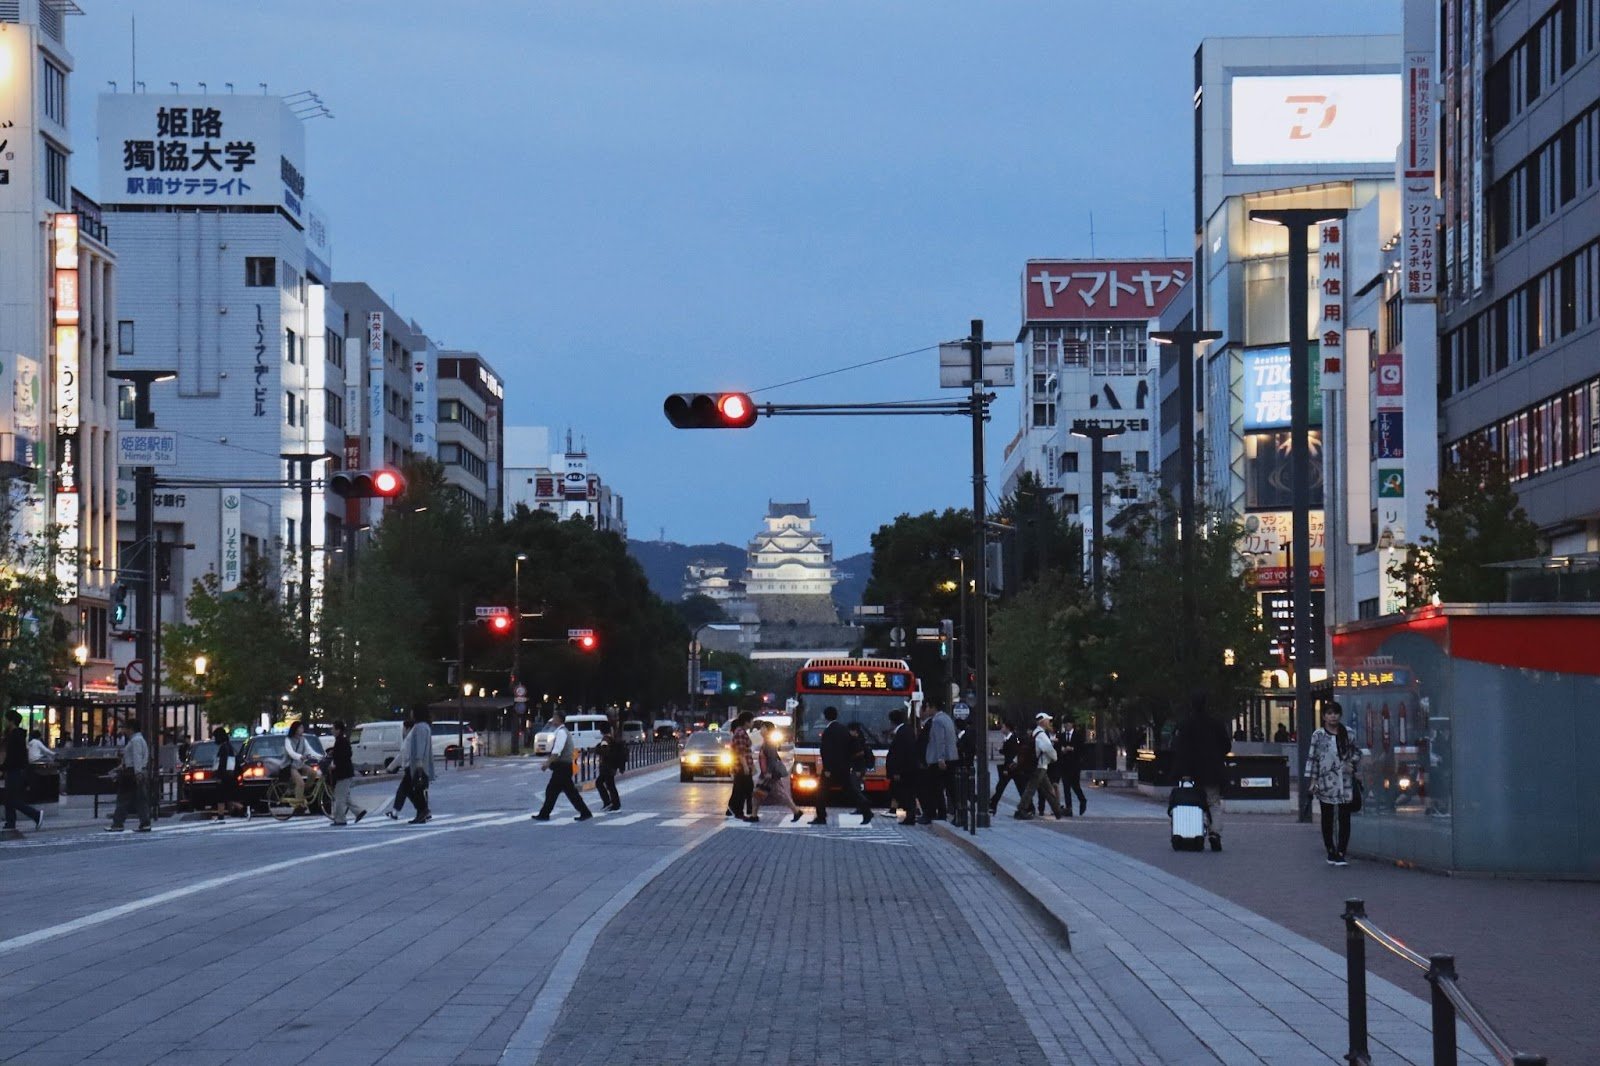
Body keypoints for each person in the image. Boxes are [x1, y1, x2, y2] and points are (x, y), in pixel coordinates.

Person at [1172, 692, 1230, 851]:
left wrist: (1182, 771)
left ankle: (1197, 829)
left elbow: (1179, 749)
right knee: (1213, 803)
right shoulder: (1216, 724)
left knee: (1193, 804)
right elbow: (1226, 746)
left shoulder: (1186, 725)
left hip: (1192, 773)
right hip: (1213, 771)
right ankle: (1215, 833)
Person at [1307, 701, 1361, 865]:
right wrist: (1313, 780)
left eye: (1336, 713)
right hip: (1326, 781)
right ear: (1323, 716)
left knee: (1345, 817)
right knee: (1327, 816)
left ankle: (1342, 851)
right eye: (1329, 713)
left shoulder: (1348, 733)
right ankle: (1330, 850)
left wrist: (1352, 763)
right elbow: (1313, 758)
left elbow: (1357, 752)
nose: (1333, 716)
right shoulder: (1318, 735)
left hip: (1344, 782)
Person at [813, 706, 872, 825]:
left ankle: (821, 817)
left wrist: (828, 768)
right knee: (851, 790)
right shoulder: (844, 729)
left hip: (831, 769)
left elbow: (826, 751)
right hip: (844, 767)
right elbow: (854, 747)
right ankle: (866, 808)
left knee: (821, 792)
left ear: (825, 716)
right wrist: (848, 760)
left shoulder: (828, 731)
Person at [532, 708, 592, 822]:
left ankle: (545, 814)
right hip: (564, 767)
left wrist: (547, 763)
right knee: (567, 792)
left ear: (559, 719)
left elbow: (557, 750)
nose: (553, 719)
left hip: (562, 767)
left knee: (553, 791)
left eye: (555, 717)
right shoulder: (561, 731)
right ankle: (585, 812)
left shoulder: (561, 732)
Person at [1016, 713, 1066, 819]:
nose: (1049, 722)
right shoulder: (1042, 735)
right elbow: (1048, 749)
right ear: (1042, 722)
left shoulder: (1035, 733)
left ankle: (1057, 811)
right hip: (1040, 765)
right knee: (1032, 788)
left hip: (1038, 765)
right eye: (1048, 720)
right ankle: (1021, 809)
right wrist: (1055, 757)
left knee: (1047, 789)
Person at [107, 717, 151, 832]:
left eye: (125, 728)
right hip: (138, 771)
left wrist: (137, 772)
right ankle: (145, 822)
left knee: (123, 798)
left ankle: (118, 823)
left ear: (131, 729)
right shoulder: (140, 740)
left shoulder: (135, 741)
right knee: (140, 799)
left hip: (132, 773)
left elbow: (136, 757)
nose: (124, 731)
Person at [3, 711, 44, 832]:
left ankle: (35, 815)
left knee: (12, 799)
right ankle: (10, 822)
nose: (5, 722)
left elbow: (13, 756)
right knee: (9, 798)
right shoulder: (16, 735)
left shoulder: (15, 737)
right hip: (15, 770)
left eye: (6, 720)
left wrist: (3, 766)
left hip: (15, 770)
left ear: (11, 721)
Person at [753, 722, 803, 823]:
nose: (761, 730)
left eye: (763, 728)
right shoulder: (766, 742)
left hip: (769, 775)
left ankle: (796, 811)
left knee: (779, 794)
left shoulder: (769, 743)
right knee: (758, 794)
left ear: (767, 730)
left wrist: (769, 773)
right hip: (766, 774)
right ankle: (754, 815)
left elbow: (772, 759)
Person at [918, 700, 957, 825]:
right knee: (949, 787)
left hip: (939, 760)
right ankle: (953, 813)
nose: (927, 709)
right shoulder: (947, 718)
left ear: (933, 707)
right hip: (951, 758)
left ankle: (937, 813)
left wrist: (940, 758)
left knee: (934, 788)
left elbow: (940, 740)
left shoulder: (937, 721)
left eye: (928, 706)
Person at [327, 721, 368, 827]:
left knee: (340, 797)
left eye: (333, 728)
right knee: (344, 796)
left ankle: (340, 819)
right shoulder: (342, 740)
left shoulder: (340, 741)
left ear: (338, 730)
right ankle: (359, 811)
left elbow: (343, 756)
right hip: (346, 772)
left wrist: (335, 765)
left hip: (343, 773)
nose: (332, 730)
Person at [885, 707, 921, 824]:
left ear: (892, 721)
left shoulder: (902, 733)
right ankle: (909, 814)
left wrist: (896, 771)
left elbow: (900, 754)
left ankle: (910, 815)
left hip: (903, 771)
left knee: (905, 793)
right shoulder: (906, 731)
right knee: (902, 792)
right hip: (906, 770)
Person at [403, 710, 434, 825]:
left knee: (416, 789)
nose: (411, 714)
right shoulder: (425, 726)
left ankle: (423, 811)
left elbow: (420, 745)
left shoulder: (419, 727)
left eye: (412, 711)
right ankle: (421, 813)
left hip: (419, 765)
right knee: (417, 789)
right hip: (423, 763)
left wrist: (419, 762)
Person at [209, 727, 246, 821]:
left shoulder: (223, 748)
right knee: (228, 797)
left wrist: (219, 775)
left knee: (222, 797)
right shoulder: (228, 746)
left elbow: (222, 763)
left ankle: (238, 809)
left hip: (226, 776)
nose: (214, 739)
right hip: (230, 775)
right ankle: (237, 810)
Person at [726, 713, 757, 822]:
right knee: (743, 790)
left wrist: (751, 765)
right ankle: (738, 811)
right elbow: (741, 752)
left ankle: (736, 810)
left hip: (744, 765)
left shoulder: (742, 732)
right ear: (746, 722)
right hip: (740, 766)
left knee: (743, 789)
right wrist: (745, 767)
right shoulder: (740, 733)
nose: (753, 723)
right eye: (752, 721)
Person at [385, 715, 417, 820]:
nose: (402, 731)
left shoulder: (409, 739)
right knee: (410, 792)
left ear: (407, 728)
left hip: (410, 768)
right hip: (413, 768)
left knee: (402, 790)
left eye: (403, 728)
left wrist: (391, 767)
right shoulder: (413, 737)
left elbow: (403, 755)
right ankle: (423, 810)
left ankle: (395, 812)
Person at [283, 720, 319, 808]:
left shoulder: (303, 739)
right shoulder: (288, 740)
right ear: (295, 729)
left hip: (300, 764)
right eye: (300, 728)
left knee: (313, 773)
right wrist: (300, 756)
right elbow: (290, 752)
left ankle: (303, 791)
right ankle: (298, 805)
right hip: (290, 765)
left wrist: (321, 757)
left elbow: (310, 750)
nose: (302, 730)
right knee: (300, 783)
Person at [989, 722, 1021, 815]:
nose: (1001, 729)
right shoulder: (1007, 738)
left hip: (1011, 767)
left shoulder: (1012, 739)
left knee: (1017, 787)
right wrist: (999, 750)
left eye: (1003, 727)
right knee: (1001, 786)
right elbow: (1007, 751)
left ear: (1007, 728)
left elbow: (1011, 754)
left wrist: (1007, 768)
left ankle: (992, 804)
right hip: (1010, 766)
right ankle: (992, 804)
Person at [1058, 718, 1087, 816]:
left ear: (1072, 724)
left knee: (1075, 785)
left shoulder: (1078, 736)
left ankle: (1082, 800)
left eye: (1068, 723)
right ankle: (1068, 808)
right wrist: (1062, 749)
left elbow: (1082, 749)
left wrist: (1072, 749)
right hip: (1064, 764)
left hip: (1074, 764)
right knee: (1066, 786)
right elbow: (1058, 747)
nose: (1066, 726)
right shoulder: (1061, 736)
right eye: (1065, 724)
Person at [595, 724, 627, 812]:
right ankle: (612, 803)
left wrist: (598, 749)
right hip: (611, 766)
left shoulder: (605, 739)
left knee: (604, 784)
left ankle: (612, 803)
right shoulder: (612, 738)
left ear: (601, 731)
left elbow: (604, 751)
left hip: (607, 766)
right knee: (608, 784)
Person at [846, 721, 873, 794]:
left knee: (855, 787)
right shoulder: (860, 739)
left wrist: (858, 769)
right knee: (856, 786)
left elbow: (859, 755)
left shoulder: (857, 741)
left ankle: (863, 802)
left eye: (849, 731)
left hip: (857, 768)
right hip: (859, 769)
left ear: (854, 731)